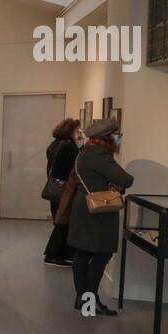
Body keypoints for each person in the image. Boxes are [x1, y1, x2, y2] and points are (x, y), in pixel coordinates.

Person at [66, 117, 133, 316]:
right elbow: (125, 179)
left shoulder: (84, 152)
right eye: (116, 136)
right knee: (101, 253)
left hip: (82, 206)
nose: (118, 139)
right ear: (108, 137)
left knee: (83, 253)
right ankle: (89, 299)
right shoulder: (99, 155)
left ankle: (83, 300)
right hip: (97, 210)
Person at [42, 117, 80, 267]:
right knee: (63, 222)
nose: (79, 133)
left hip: (56, 188)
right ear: (70, 130)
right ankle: (53, 254)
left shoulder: (53, 144)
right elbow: (73, 167)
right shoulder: (69, 146)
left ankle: (60, 253)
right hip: (64, 189)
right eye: (77, 130)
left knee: (60, 221)